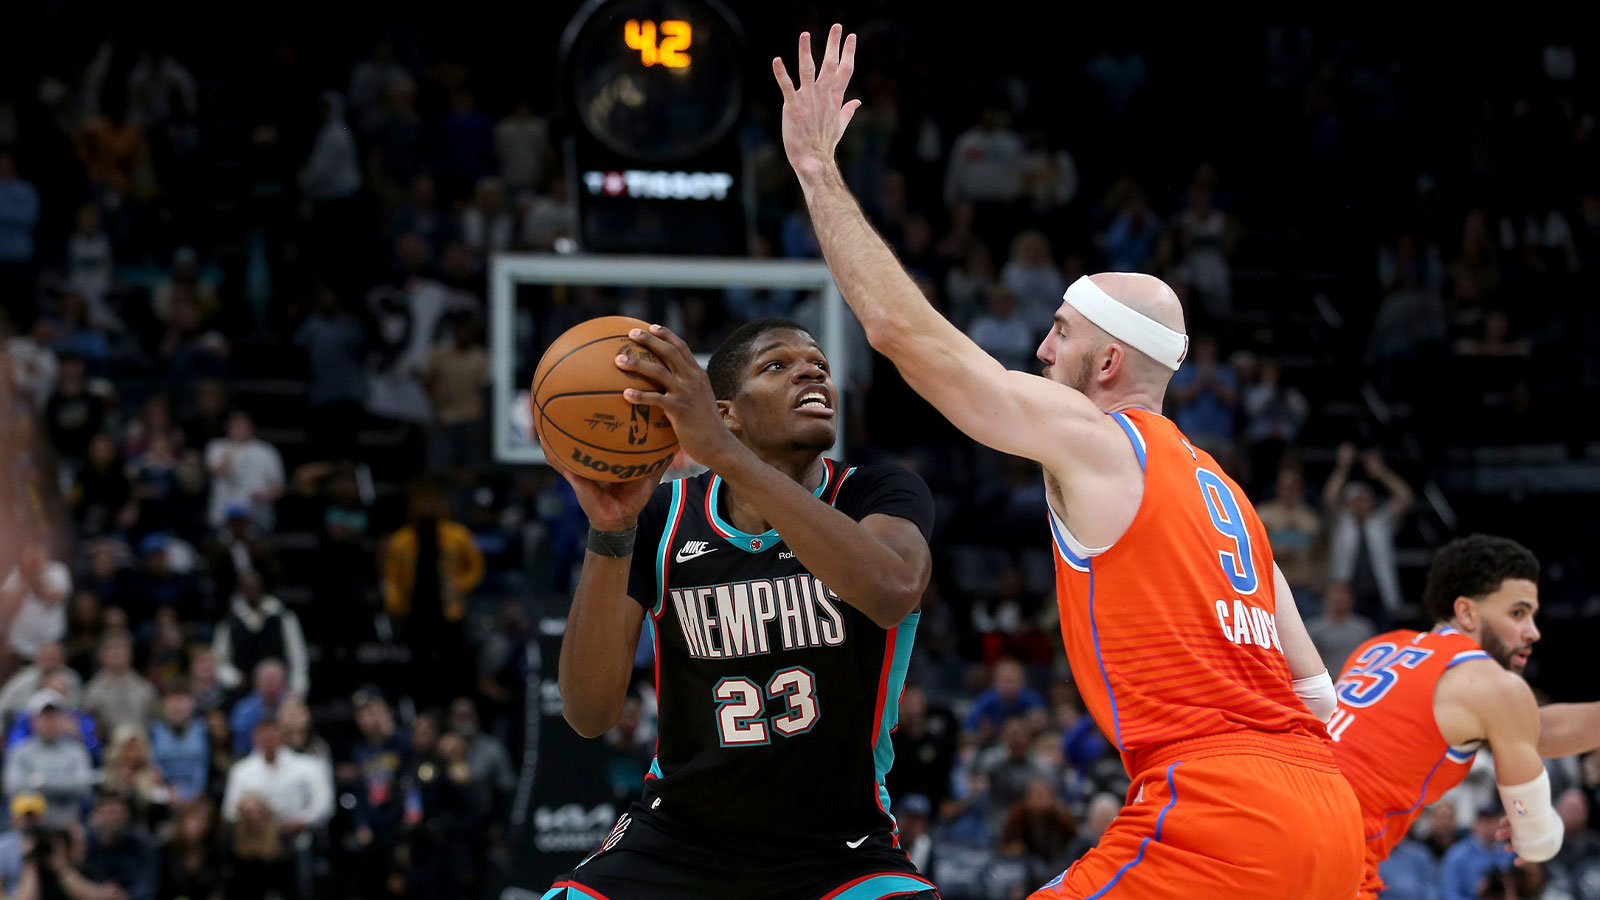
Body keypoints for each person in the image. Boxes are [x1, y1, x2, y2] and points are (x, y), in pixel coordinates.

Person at [773, 25, 1359, 900]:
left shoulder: (1099, 437)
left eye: (1061, 331)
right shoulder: (1223, 492)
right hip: (1326, 815)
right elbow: (1315, 690)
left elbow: (905, 336)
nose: (1043, 350)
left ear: (1110, 364)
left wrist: (819, 173)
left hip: (1219, 806)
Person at [545, 316, 937, 899]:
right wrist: (610, 532)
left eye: (819, 366)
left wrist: (724, 454)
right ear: (724, 410)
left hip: (837, 847)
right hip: (675, 838)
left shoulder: (875, 495)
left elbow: (892, 589)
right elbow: (588, 712)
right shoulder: (663, 516)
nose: (810, 370)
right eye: (776, 365)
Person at [1328, 535, 1600, 899]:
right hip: (1330, 853)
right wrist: (1534, 826)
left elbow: (1534, 729)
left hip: (1271, 814)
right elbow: (1538, 842)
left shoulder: (1379, 647)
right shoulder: (1492, 685)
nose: (1532, 632)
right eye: (1517, 613)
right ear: (1468, 612)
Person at [212, 571, 310, 699]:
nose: (252, 592)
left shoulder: (284, 617)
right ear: (241, 592)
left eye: (255, 588)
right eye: (247, 588)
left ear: (263, 589)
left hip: (280, 692)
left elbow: (298, 656)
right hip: (243, 692)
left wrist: (297, 688)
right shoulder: (229, 622)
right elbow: (219, 661)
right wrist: (235, 679)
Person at [3, 690, 94, 822]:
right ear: (33, 721)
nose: (49, 722)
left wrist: (38, 781)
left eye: (53, 716)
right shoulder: (19, 752)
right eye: (44, 717)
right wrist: (63, 784)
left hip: (67, 827)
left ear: (63, 719)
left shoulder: (76, 751)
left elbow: (83, 787)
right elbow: (14, 788)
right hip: (30, 826)